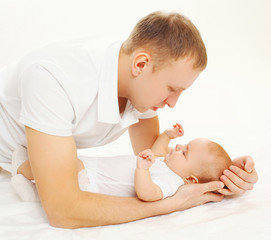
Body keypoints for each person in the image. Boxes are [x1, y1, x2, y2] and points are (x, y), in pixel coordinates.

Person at [0, 11, 258, 228]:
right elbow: (63, 210)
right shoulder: (52, 79)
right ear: (141, 64)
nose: (173, 103)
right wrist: (169, 205)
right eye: (171, 88)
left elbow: (160, 161)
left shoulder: (138, 82)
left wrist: (224, 174)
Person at [13, 123, 232, 202]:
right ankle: (33, 190)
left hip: (94, 181)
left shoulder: (171, 182)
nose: (178, 147)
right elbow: (157, 153)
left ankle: (22, 171)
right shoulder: (165, 165)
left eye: (184, 153)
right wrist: (167, 136)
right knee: (62, 166)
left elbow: (149, 194)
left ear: (191, 179)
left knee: (56, 167)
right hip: (94, 168)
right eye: (183, 144)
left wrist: (142, 170)